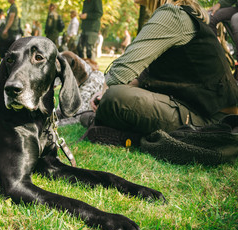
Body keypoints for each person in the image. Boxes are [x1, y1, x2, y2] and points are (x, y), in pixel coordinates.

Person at [87, 0, 238, 146]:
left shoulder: (172, 14)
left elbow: (121, 72)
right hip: (202, 110)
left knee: (115, 98)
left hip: (215, 121)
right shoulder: (180, 12)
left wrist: (104, 95)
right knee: (110, 100)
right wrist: (102, 94)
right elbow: (143, 75)